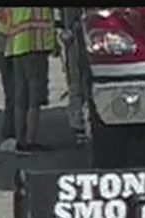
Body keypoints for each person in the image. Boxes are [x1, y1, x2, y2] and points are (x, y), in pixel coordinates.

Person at [0, 7, 59, 154]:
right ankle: (30, 141)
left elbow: (3, 22)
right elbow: (47, 23)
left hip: (16, 48)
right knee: (34, 98)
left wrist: (1, 50)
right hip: (36, 48)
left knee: (20, 97)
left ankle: (20, 141)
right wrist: (55, 47)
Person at [58, 7, 87, 142]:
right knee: (76, 82)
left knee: (78, 82)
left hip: (88, 34)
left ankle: (81, 122)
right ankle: (79, 124)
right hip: (76, 39)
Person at [0, 9, 18, 153]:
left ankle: (12, 135)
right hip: (8, 54)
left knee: (13, 97)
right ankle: (9, 136)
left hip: (7, 53)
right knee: (13, 97)